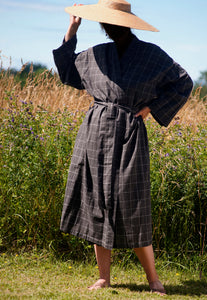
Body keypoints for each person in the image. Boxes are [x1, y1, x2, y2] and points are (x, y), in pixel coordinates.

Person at [53, 0, 193, 295]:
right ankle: (104, 277)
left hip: (129, 134)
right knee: (97, 203)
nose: (112, 27)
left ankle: (153, 279)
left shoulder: (151, 56)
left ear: (125, 24)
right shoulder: (96, 55)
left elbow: (183, 82)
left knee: (134, 205)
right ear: (104, 25)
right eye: (109, 23)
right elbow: (67, 70)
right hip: (95, 132)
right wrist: (72, 28)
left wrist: (152, 108)